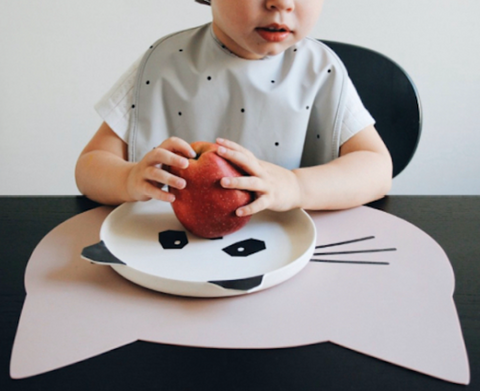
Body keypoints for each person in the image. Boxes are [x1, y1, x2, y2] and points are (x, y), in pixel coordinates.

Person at [75, 0, 392, 217]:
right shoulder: (164, 63)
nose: (281, 2)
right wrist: (129, 178)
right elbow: (89, 167)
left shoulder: (318, 69)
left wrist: (297, 187)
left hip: (287, 247)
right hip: (171, 247)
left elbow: (377, 170)